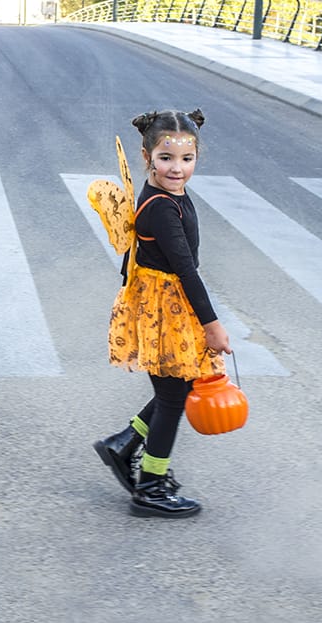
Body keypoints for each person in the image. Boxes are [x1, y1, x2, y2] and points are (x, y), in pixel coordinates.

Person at [93, 109, 232, 518]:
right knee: (173, 397)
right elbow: (186, 269)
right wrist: (213, 326)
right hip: (164, 310)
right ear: (146, 157)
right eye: (167, 158)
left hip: (166, 304)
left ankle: (124, 445)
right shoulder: (160, 208)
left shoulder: (169, 194)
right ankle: (151, 486)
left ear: (196, 157)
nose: (177, 168)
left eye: (187, 159)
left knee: (177, 388)